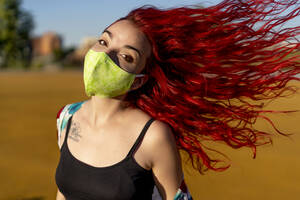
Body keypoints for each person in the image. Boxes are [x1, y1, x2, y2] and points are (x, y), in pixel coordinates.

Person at [55, 0, 300, 199]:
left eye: (126, 57)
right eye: (103, 41)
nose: (106, 55)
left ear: (139, 80)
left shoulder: (153, 136)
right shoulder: (67, 118)